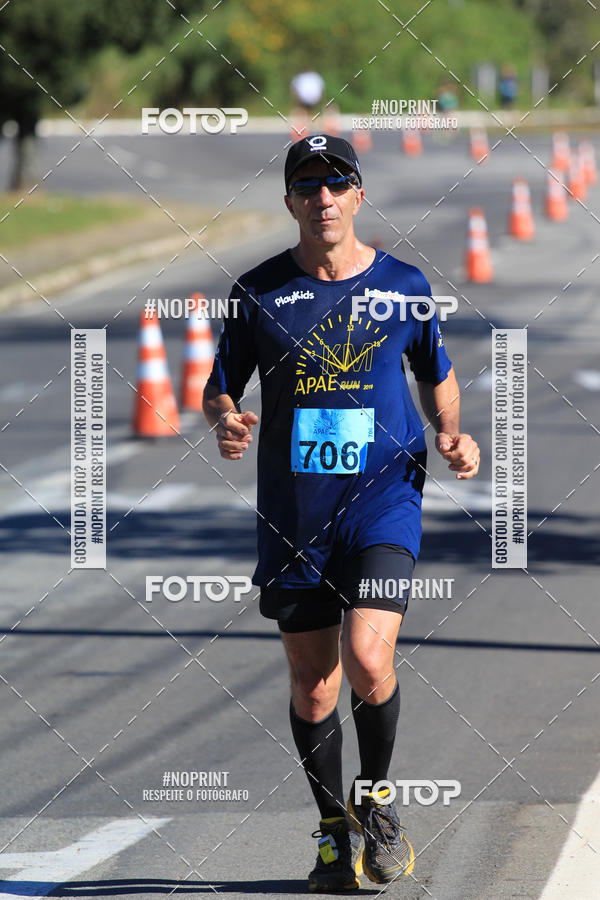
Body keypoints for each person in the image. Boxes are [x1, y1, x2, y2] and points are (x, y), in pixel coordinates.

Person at [203, 134, 480, 892]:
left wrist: (452, 432)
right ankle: (332, 829)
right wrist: (224, 415)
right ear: (289, 201)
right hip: (296, 513)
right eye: (307, 185)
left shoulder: (404, 285)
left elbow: (437, 373)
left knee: (367, 658)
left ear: (359, 195)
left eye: (336, 183)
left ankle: (379, 805)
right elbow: (218, 384)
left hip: (384, 499)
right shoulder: (259, 292)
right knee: (314, 684)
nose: (322, 198)